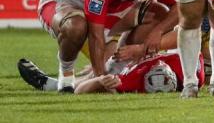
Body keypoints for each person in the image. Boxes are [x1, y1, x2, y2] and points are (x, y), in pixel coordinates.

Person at [36, 0, 178, 92]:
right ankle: (66, 75)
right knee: (76, 26)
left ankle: (116, 69)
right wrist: (100, 78)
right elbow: (95, 35)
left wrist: (158, 31)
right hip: (62, 3)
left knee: (160, 14)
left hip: (109, 6)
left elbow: (181, 5)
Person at [18, 51, 203, 94]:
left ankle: (50, 84)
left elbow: (80, 91)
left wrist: (99, 81)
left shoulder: (133, 80)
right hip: (147, 42)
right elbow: (187, 36)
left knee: (106, 71)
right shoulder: (192, 71)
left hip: (127, 57)